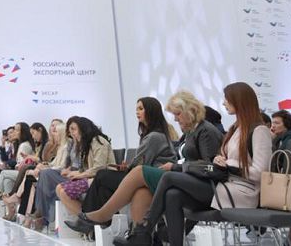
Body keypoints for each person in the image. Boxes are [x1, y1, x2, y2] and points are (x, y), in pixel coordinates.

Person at [116, 82, 272, 246]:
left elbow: (260, 172)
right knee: (172, 195)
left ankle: (143, 231)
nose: (223, 103)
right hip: (225, 186)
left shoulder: (259, 130)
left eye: (227, 99)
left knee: (169, 177)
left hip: (243, 193)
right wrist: (219, 159)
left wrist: (229, 163)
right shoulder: (235, 129)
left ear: (239, 100)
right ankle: (155, 237)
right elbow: (220, 160)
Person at [65, 97, 175, 234]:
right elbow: (142, 162)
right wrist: (127, 167)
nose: (137, 112)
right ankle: (96, 220)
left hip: (150, 177)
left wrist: (128, 167)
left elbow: (142, 164)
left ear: (151, 111)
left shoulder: (154, 137)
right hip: (145, 175)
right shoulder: (151, 135)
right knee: (103, 186)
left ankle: (93, 219)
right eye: (136, 109)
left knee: (102, 176)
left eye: (141, 109)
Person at [0, 122, 36, 213]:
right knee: (7, 180)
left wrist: (8, 166)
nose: (14, 132)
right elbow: (11, 160)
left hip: (23, 173)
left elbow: (21, 164)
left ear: (23, 132)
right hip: (19, 171)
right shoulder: (19, 144)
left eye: (16, 130)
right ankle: (11, 212)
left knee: (3, 173)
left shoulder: (24, 145)